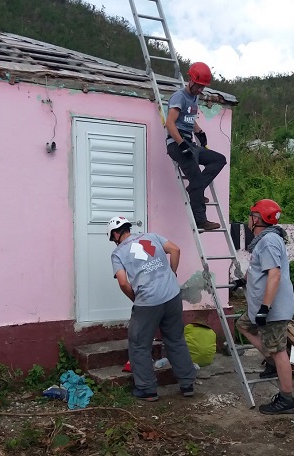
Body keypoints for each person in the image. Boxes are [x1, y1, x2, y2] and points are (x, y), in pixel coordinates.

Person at [107, 216, 196, 402]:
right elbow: (175, 249)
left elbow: (123, 283)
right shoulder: (152, 236)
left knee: (139, 344)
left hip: (148, 301)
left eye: (112, 238)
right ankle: (187, 384)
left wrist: (136, 298)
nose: (114, 241)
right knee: (176, 339)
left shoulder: (118, 253)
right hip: (172, 295)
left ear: (116, 234)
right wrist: (172, 274)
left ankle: (148, 389)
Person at [233, 199, 294, 414]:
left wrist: (265, 308)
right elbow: (258, 267)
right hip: (260, 308)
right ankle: (270, 361)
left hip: (272, 310)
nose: (248, 219)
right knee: (243, 325)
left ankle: (287, 399)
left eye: (251, 216)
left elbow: (274, 273)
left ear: (257, 219)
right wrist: (243, 280)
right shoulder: (263, 240)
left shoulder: (269, 241)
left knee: (279, 351)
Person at [166, 62, 227, 231]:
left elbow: (189, 119)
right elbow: (170, 124)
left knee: (219, 160)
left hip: (190, 144)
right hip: (177, 144)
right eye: (199, 86)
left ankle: (195, 189)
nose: (201, 90)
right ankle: (201, 219)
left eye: (203, 87)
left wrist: (199, 131)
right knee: (198, 179)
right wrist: (181, 143)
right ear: (191, 81)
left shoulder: (195, 98)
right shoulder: (179, 97)